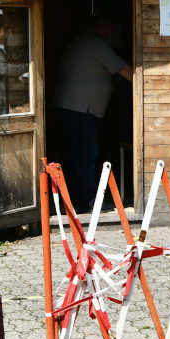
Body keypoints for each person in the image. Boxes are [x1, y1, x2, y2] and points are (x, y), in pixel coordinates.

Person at [52, 17, 132, 211]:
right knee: (86, 155)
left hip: (72, 109)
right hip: (80, 111)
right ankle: (86, 201)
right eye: (111, 27)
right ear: (102, 27)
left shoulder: (81, 42)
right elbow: (127, 72)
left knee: (75, 156)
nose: (114, 32)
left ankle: (74, 201)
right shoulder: (96, 44)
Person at [0, 20, 30, 114]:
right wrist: (29, 66)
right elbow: (4, 69)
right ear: (3, 30)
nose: (10, 36)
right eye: (11, 32)